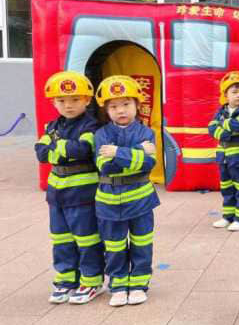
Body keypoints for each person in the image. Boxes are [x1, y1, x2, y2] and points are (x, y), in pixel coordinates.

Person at [35, 71, 105, 304]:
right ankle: (66, 280)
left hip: (82, 194)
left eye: (75, 99)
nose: (68, 105)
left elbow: (83, 149)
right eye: (62, 100)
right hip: (57, 195)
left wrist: (58, 148)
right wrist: (64, 148)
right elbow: (41, 152)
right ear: (53, 102)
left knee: (86, 239)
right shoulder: (52, 125)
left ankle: (91, 281)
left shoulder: (93, 126)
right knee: (61, 239)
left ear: (87, 100)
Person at [94, 75, 160, 306]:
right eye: (113, 106)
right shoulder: (100, 135)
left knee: (142, 243)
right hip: (109, 203)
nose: (120, 110)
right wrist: (135, 152)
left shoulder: (146, 132)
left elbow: (148, 164)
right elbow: (105, 167)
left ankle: (140, 284)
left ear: (136, 105)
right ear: (106, 109)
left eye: (126, 104)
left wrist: (117, 152)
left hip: (141, 200)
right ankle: (119, 285)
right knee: (113, 245)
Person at [209, 71, 239, 231]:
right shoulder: (221, 111)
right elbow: (211, 127)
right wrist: (224, 130)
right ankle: (228, 216)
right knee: (227, 188)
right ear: (225, 95)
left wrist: (223, 124)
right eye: (234, 92)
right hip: (224, 159)